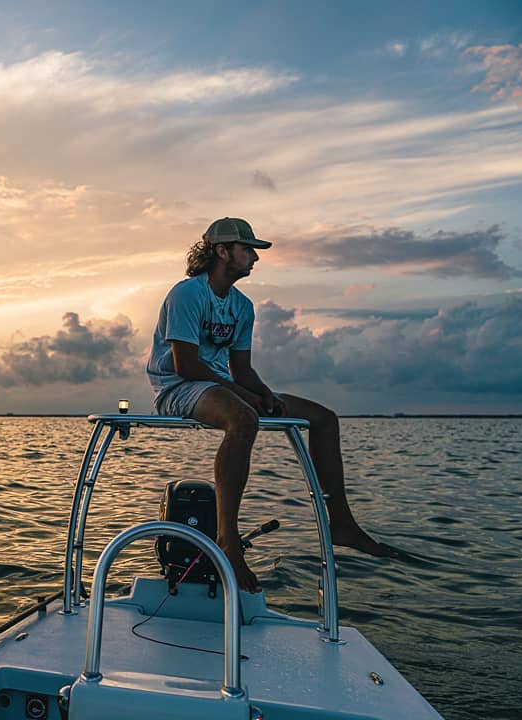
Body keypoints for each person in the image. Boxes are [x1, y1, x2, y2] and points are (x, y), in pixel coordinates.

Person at [146, 217, 397, 593]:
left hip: (222, 384)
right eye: (247, 249)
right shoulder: (186, 294)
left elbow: (241, 368)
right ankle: (227, 541)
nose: (254, 258)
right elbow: (187, 365)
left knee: (323, 419)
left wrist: (263, 393)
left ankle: (342, 523)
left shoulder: (242, 306)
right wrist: (243, 397)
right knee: (243, 419)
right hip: (178, 387)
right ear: (222, 251)